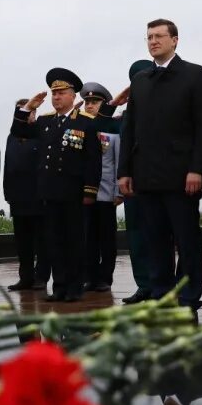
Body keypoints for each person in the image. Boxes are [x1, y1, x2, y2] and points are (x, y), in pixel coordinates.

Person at [117, 19, 202, 310]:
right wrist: (125, 171)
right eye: (149, 37)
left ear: (175, 40)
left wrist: (197, 168)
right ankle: (161, 293)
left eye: (159, 36)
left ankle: (187, 294)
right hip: (146, 174)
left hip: (182, 175)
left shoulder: (195, 75)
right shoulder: (141, 80)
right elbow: (129, 128)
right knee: (155, 239)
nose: (153, 41)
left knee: (186, 240)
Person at [13, 68, 101, 302]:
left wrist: (90, 191)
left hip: (74, 193)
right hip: (49, 193)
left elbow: (93, 161)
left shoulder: (86, 123)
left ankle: (74, 288)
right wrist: (27, 108)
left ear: (73, 96)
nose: (57, 97)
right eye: (54, 93)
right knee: (53, 242)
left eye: (61, 93)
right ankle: (59, 286)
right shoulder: (44, 121)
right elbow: (19, 129)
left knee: (74, 242)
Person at [114, 60, 156, 303]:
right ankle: (143, 285)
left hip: (158, 181)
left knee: (159, 236)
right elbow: (97, 125)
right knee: (136, 237)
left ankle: (162, 285)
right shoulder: (126, 114)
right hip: (133, 184)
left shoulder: (162, 106)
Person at [3, 99, 50, 291]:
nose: (25, 115)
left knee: (42, 241)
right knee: (22, 242)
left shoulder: (40, 133)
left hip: (38, 195)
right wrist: (7, 192)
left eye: (29, 111)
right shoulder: (12, 136)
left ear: (34, 113)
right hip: (18, 196)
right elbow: (8, 165)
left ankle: (41, 277)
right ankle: (25, 277)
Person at [80, 82, 121, 292]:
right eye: (87, 102)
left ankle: (105, 277)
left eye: (94, 102)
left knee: (106, 238)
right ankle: (88, 276)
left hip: (105, 193)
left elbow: (117, 161)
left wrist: (118, 192)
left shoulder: (113, 128)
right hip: (84, 193)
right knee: (87, 238)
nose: (89, 106)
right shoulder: (79, 127)